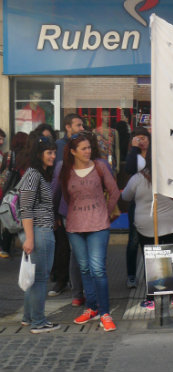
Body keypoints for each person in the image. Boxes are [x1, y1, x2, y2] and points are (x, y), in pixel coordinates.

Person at [58, 132, 120, 332]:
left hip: (98, 226)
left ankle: (105, 312)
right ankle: (91, 307)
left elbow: (115, 192)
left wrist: (105, 213)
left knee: (98, 269)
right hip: (75, 227)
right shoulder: (66, 170)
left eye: (89, 147)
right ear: (73, 152)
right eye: (83, 148)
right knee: (84, 268)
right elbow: (67, 198)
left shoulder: (100, 166)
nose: (88, 151)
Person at [121, 154, 173, 310]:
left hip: (147, 226)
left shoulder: (138, 178)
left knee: (151, 257)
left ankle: (151, 298)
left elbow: (125, 196)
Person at [18, 136, 60, 333]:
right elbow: (25, 208)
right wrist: (30, 238)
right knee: (41, 279)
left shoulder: (39, 174)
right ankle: (38, 322)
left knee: (35, 278)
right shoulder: (33, 174)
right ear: (39, 154)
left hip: (41, 231)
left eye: (54, 152)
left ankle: (29, 317)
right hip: (39, 232)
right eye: (49, 152)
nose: (53, 156)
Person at [49, 114, 85, 300]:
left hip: (82, 211)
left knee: (78, 252)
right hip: (65, 209)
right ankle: (64, 282)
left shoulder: (88, 155)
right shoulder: (59, 148)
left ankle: (77, 285)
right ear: (68, 127)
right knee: (66, 248)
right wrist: (53, 212)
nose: (81, 128)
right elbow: (56, 182)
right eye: (78, 125)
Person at [124, 127, 151, 288]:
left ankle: (152, 274)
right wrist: (134, 148)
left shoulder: (155, 153)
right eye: (138, 138)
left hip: (154, 202)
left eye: (144, 138)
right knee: (134, 240)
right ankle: (131, 275)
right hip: (137, 201)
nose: (142, 141)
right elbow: (129, 169)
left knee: (150, 241)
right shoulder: (134, 155)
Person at [0, 132, 28, 258]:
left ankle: (5, 248)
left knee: (10, 217)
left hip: (10, 191)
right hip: (22, 190)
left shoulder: (8, 155)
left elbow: (2, 171)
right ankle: (25, 245)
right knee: (23, 218)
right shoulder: (28, 156)